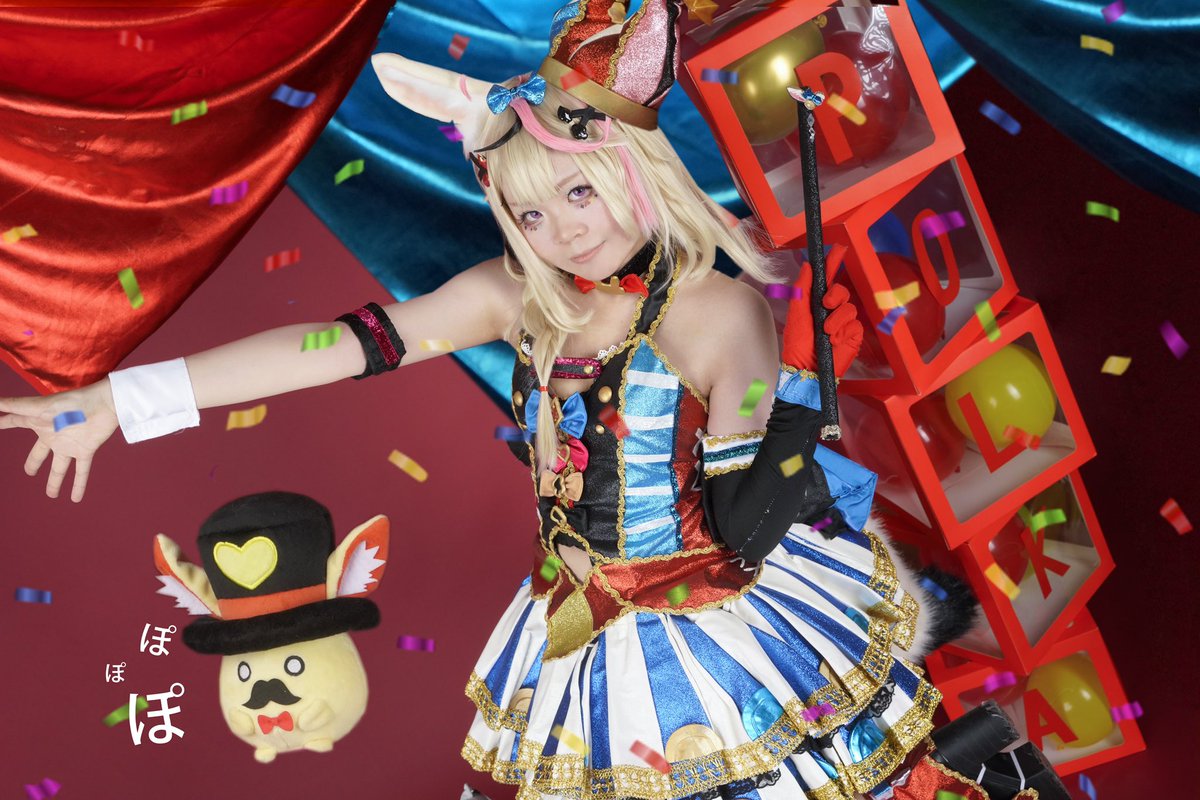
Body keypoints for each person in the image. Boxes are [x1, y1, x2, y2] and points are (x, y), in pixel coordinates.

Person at [0, 3, 991, 798]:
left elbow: (745, 523)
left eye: (578, 191)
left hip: (713, 632)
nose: (562, 230)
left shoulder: (714, 311)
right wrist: (126, 400)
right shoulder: (516, 299)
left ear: (631, 166)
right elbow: (329, 349)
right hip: (579, 632)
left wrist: (796, 387)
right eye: (528, 210)